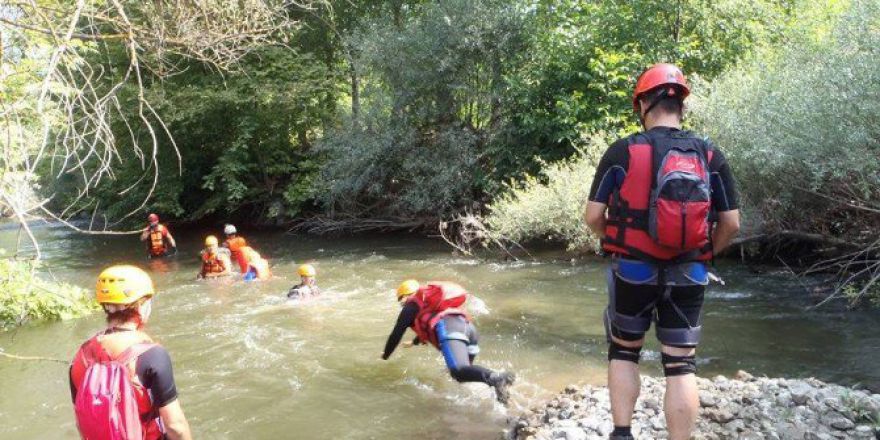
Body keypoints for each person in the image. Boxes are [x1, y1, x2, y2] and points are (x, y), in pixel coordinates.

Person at [583, 63, 740, 440]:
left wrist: (619, 240)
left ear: (642, 105)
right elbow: (731, 224)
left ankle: (623, 433)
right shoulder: (710, 154)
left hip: (633, 269)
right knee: (681, 364)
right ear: (681, 106)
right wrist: (706, 252)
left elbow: (592, 217)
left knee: (624, 351)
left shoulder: (622, 151)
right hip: (690, 270)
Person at [69, 265, 192, 440]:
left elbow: (81, 423)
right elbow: (175, 426)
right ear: (140, 305)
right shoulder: (153, 355)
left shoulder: (80, 357)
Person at [381, 280, 515, 404]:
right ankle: (504, 401)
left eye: (401, 300)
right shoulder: (430, 304)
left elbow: (396, 334)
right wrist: (414, 342)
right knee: (462, 375)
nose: (402, 304)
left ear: (404, 296)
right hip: (469, 330)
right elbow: (427, 324)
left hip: (450, 329)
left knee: (458, 371)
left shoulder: (410, 306)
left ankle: (498, 378)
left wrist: (385, 356)